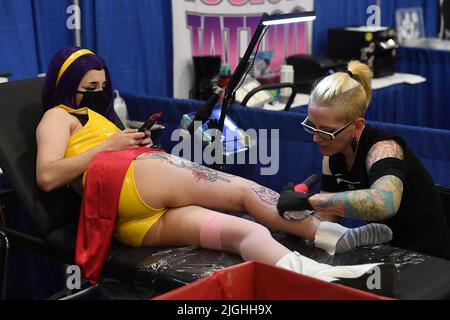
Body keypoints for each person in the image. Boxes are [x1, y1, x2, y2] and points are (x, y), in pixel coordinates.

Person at [36, 48, 392, 285]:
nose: (98, 93)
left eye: (102, 86)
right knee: (241, 192)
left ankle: (320, 277)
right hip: (124, 181)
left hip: (132, 222)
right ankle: (331, 236)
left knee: (244, 232)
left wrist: (123, 139)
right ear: (66, 85)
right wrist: (110, 145)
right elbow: (48, 176)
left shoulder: (101, 120)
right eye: (89, 87)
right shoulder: (57, 115)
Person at [277, 61, 450, 260]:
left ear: (358, 125)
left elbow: (385, 203)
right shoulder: (332, 156)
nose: (316, 138)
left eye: (327, 131)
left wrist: (310, 200)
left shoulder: (384, 149)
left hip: (429, 258)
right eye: (312, 126)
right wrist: (297, 216)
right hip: (386, 250)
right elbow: (327, 219)